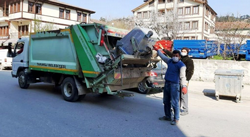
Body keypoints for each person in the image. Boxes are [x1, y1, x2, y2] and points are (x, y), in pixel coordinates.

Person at [156, 48, 187, 125]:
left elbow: (183, 77)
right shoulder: (170, 61)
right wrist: (157, 51)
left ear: (179, 57)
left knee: (174, 102)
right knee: (166, 101)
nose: (175, 57)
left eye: (176, 56)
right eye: (173, 55)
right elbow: (163, 57)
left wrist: (184, 86)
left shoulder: (182, 65)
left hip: (174, 85)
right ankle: (167, 116)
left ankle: (176, 119)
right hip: (167, 84)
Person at [163, 47, 194, 116]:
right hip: (177, 80)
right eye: (182, 51)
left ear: (187, 52)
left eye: (184, 51)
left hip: (184, 80)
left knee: (184, 95)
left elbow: (190, 71)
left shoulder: (189, 60)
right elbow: (171, 55)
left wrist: (186, 81)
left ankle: (185, 109)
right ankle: (177, 108)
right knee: (177, 96)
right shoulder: (179, 58)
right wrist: (165, 50)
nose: (183, 52)